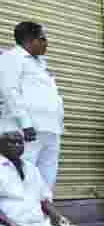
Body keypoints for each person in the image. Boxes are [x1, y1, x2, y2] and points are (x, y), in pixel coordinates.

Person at [0, 130, 97, 226]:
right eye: (11, 142)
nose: (17, 145)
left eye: (20, 142)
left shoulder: (31, 168)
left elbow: (44, 201)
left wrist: (62, 220)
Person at [0, 22, 64, 195]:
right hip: (26, 130)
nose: (46, 43)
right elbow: (9, 91)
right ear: (31, 40)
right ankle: (23, 217)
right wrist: (25, 123)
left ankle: (45, 217)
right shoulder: (11, 57)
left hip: (50, 129)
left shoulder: (40, 63)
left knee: (47, 178)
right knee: (23, 175)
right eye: (43, 39)